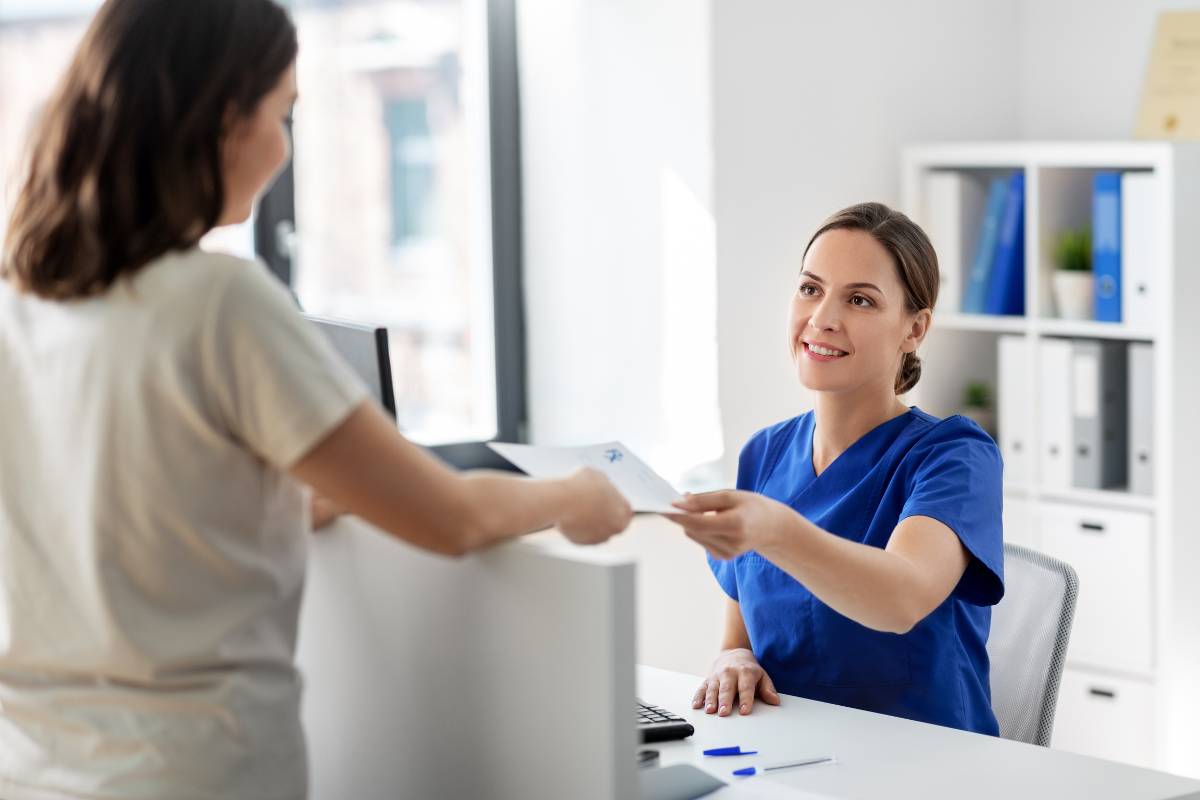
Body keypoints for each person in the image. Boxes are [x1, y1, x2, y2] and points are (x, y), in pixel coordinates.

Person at [0, 1, 632, 798]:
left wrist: (294, 505)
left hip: (31, 767)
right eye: (282, 113)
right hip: (188, 773)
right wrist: (573, 496)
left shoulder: (21, 305)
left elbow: (123, 511)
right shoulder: (216, 299)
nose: (282, 147)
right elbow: (451, 519)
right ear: (225, 120)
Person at [666, 202, 1004, 735]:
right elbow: (739, 637)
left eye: (860, 300)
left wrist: (776, 530)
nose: (822, 317)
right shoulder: (766, 453)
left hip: (925, 770)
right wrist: (734, 660)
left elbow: (902, 598)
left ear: (915, 328)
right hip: (790, 757)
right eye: (810, 288)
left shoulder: (955, 455)